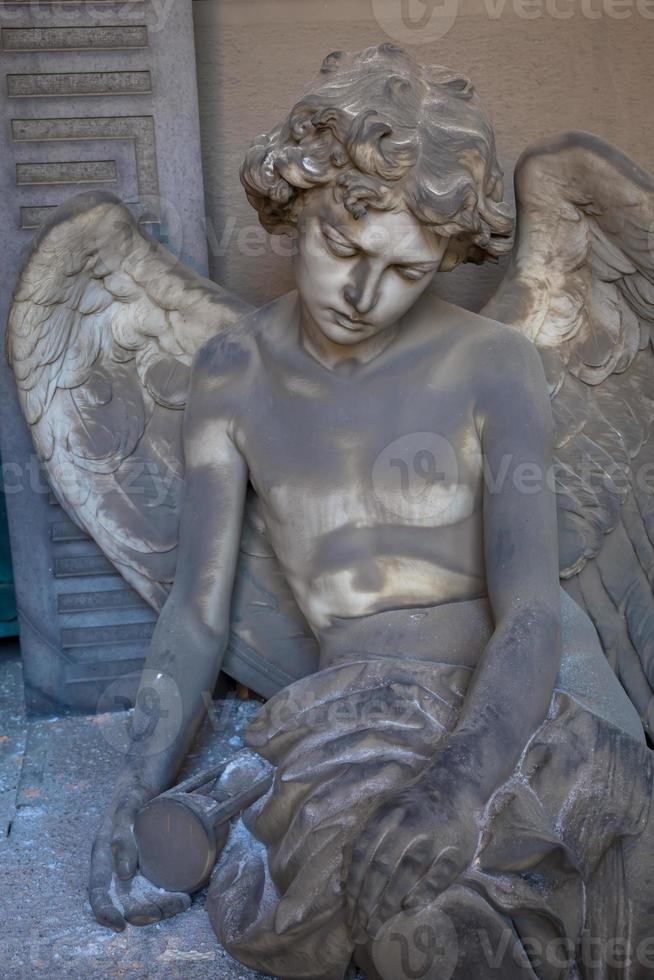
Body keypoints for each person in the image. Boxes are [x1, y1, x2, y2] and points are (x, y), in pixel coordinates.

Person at [91, 44, 653, 979]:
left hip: (529, 696)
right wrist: (131, 782)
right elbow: (197, 614)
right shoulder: (231, 374)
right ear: (293, 207)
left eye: (407, 269)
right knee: (410, 918)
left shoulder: (493, 364)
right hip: (360, 709)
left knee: (589, 883)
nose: (362, 294)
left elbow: (532, 607)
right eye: (342, 248)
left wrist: (461, 784)